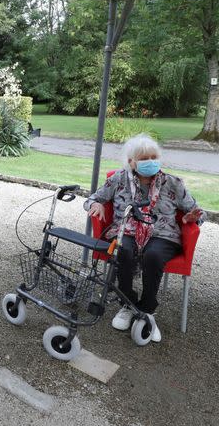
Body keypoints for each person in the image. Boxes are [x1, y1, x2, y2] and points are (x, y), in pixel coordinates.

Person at [85, 134, 205, 342]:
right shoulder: (119, 179)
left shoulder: (172, 182)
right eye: (144, 158)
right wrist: (95, 205)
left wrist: (191, 217)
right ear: (131, 161)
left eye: (153, 157)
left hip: (162, 233)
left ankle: (147, 311)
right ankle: (127, 304)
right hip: (127, 230)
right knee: (124, 250)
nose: (150, 162)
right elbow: (94, 198)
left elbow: (197, 212)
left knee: (153, 256)